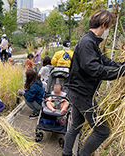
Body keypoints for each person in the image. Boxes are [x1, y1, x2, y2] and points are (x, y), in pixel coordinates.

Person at [62, 10, 125, 156]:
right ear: (103, 25)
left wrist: (121, 66)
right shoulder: (87, 43)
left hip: (77, 91)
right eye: (109, 27)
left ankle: (66, 153)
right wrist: (121, 72)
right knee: (102, 131)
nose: (108, 31)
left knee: (76, 125)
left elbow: (104, 61)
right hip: (81, 94)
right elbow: (95, 70)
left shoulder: (91, 42)